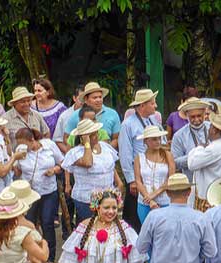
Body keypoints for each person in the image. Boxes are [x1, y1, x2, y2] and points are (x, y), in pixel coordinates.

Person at [14, 127, 64, 263]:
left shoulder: (48, 145)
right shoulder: (21, 151)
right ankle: (32, 254)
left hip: (48, 191)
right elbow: (17, 172)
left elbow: (61, 162)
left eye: (25, 143)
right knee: (28, 223)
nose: (24, 147)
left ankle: (50, 256)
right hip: (29, 194)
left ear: (32, 140)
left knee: (47, 222)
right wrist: (15, 159)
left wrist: (54, 170)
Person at [61, 119, 122, 222]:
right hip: (86, 200)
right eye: (93, 135)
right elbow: (88, 163)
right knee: (90, 228)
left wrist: (119, 184)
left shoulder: (105, 147)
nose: (97, 136)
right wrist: (87, 144)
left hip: (108, 197)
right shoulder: (75, 153)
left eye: (96, 133)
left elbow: (110, 167)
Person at [119, 88, 161, 231]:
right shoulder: (128, 124)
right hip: (138, 174)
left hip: (155, 170)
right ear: (142, 105)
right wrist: (131, 180)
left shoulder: (153, 120)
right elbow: (125, 153)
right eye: (152, 103)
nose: (155, 106)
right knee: (134, 213)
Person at [187, 111, 221, 211]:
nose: (208, 129)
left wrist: (199, 148)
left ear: (215, 130)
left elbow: (191, 164)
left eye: (210, 126)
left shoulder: (215, 148)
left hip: (207, 196)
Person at [134, 125, 175, 223]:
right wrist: (149, 199)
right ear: (145, 141)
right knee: (146, 230)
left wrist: (153, 195)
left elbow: (171, 178)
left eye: (159, 139)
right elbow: (138, 181)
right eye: (154, 139)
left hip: (164, 200)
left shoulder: (167, 155)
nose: (158, 142)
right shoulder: (139, 158)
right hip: (145, 201)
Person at [65, 82, 121, 148]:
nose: (98, 100)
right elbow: (67, 138)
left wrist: (104, 152)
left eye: (100, 97)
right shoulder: (76, 115)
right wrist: (78, 151)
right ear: (86, 99)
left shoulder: (112, 114)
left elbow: (116, 139)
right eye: (95, 98)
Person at [171, 97, 212, 182]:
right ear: (186, 115)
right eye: (192, 117)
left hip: (212, 180)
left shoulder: (213, 129)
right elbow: (175, 162)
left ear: (204, 113)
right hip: (191, 182)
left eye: (199, 116)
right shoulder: (179, 136)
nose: (196, 120)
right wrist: (195, 155)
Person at [53, 83, 84, 154]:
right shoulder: (64, 116)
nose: (84, 102)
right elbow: (58, 140)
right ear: (74, 98)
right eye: (81, 99)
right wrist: (71, 155)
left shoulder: (93, 114)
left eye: (85, 98)